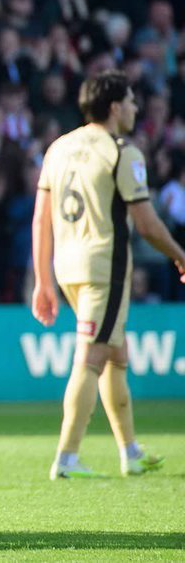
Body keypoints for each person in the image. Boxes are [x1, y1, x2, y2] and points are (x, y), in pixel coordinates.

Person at [32, 70, 182, 480]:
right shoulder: (122, 153)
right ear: (115, 107)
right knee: (93, 356)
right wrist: (180, 255)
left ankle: (130, 451)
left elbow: (41, 220)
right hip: (104, 268)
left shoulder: (59, 147)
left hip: (67, 266)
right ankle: (66, 457)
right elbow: (147, 225)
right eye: (131, 101)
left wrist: (43, 280)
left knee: (117, 353)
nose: (135, 108)